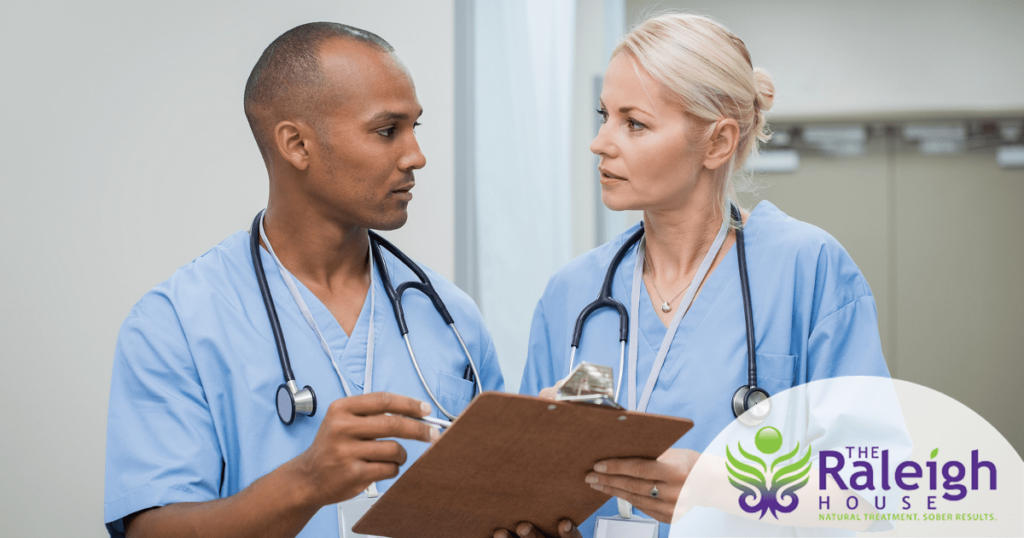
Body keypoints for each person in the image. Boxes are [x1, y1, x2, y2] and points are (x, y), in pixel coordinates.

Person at [104, 22, 503, 538]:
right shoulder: (176, 322)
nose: (415, 156)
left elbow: (497, 497)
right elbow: (151, 533)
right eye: (387, 130)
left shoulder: (450, 316)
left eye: (414, 128)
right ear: (296, 144)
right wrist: (306, 481)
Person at [506, 13, 890, 538]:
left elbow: (874, 498)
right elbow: (526, 493)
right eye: (604, 116)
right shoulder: (571, 295)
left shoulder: (808, 269)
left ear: (717, 143)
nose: (600, 142)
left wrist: (723, 490)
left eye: (633, 123)